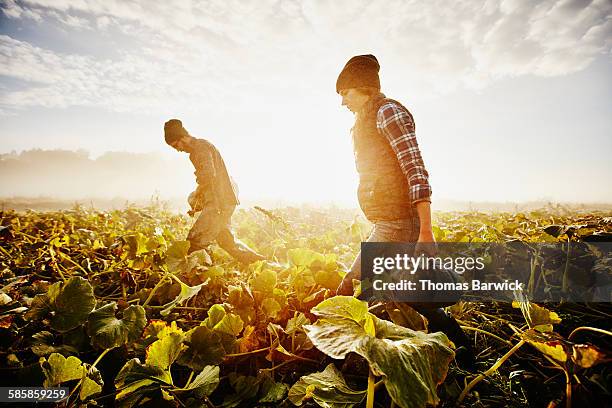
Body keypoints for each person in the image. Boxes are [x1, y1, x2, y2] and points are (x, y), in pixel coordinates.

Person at [334, 55, 474, 367]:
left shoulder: (389, 112)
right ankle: (459, 346)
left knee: (362, 291)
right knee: (400, 292)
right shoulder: (364, 122)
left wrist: (426, 230)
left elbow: (415, 170)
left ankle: (352, 362)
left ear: (362, 88)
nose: (342, 101)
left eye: (345, 93)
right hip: (388, 221)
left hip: (400, 221)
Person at [164, 119, 264, 264]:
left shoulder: (201, 148)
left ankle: (194, 279)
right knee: (229, 243)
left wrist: (198, 193)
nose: (178, 149)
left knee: (194, 243)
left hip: (219, 202)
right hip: (224, 200)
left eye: (176, 145)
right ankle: (266, 264)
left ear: (183, 137)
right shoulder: (197, 150)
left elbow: (208, 174)